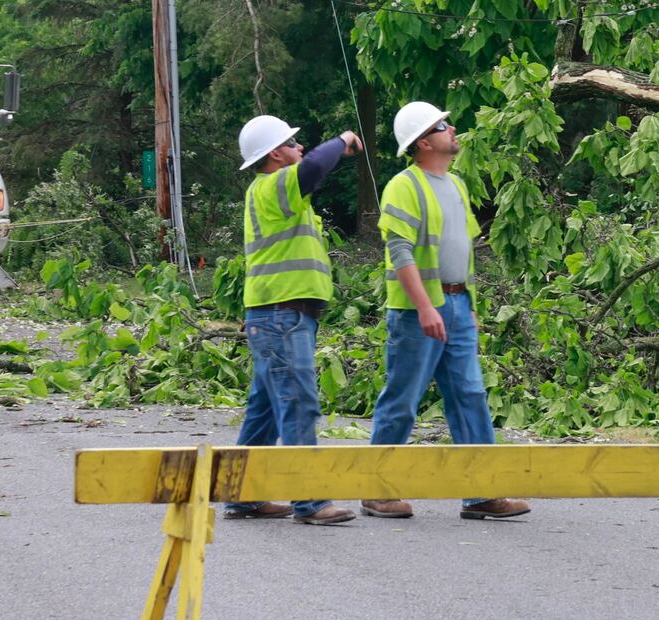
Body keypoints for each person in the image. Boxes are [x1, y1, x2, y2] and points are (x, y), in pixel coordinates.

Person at [362, 100, 529, 521]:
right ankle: (376, 491)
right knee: (403, 397)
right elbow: (399, 251)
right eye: (442, 125)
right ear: (422, 142)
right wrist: (425, 307)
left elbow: (462, 250)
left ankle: (482, 492)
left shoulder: (455, 186)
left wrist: (466, 304)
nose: (452, 128)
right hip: (417, 312)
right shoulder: (405, 185)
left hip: (456, 306)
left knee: (469, 395)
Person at [226, 114, 364, 525]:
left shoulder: (272, 192)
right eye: (291, 142)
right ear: (274, 154)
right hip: (280, 314)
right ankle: (310, 499)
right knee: (298, 401)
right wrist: (343, 140)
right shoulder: (273, 184)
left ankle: (243, 495)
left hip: (278, 313)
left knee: (266, 408)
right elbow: (315, 166)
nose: (299, 147)